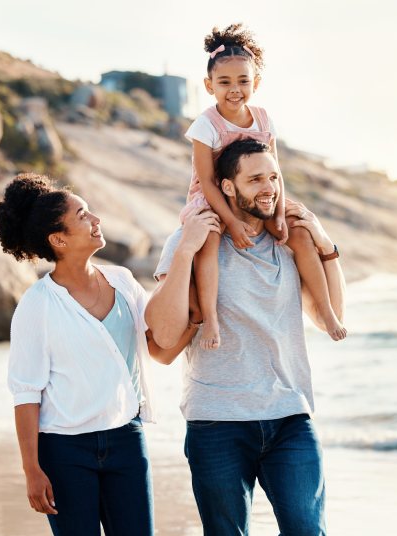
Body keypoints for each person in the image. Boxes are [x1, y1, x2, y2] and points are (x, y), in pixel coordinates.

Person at [146, 139, 346, 535]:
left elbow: (332, 319)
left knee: (308, 530)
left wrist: (325, 245)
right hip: (217, 420)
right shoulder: (196, 240)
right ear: (228, 187)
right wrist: (185, 250)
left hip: (290, 415)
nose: (269, 187)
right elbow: (163, 341)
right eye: (255, 179)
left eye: (273, 176)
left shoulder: (290, 244)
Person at [0, 173, 194, 536]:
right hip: (64, 452)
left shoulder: (123, 281)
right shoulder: (37, 305)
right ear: (59, 240)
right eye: (83, 216)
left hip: (126, 440)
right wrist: (32, 470)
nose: (96, 220)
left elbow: (157, 351)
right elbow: (26, 393)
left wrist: (193, 324)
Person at [181, 23, 346, 350]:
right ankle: (212, 318)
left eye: (243, 81)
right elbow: (206, 180)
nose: (234, 89)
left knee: (299, 233)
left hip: (258, 195)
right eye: (224, 82)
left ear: (255, 82)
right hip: (214, 197)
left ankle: (326, 311)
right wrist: (232, 222)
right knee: (210, 241)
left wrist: (281, 214)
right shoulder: (206, 125)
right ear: (208, 85)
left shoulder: (263, 118)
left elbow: (276, 171)